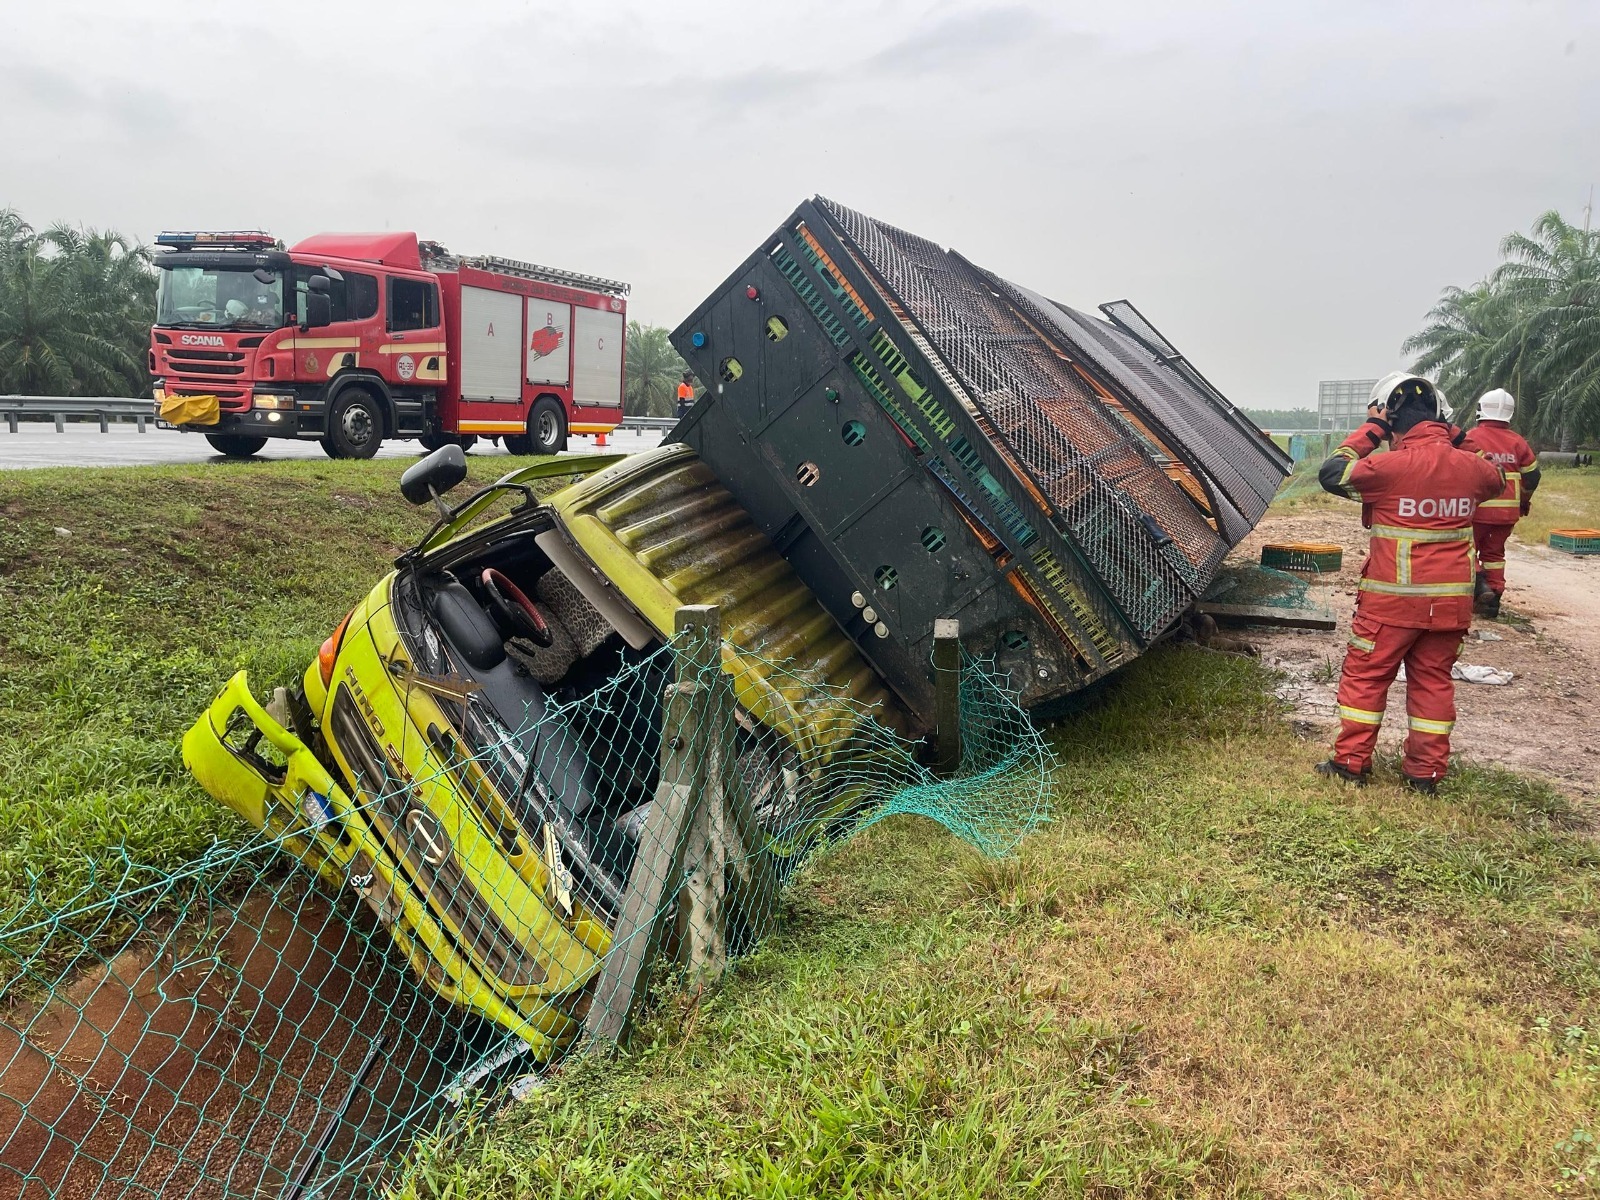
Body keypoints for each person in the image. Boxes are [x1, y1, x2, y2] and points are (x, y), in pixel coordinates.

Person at [1314, 372, 1504, 793]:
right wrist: (1453, 434)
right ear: (1441, 417)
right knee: (1433, 684)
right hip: (1450, 607)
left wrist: (1371, 429)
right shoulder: (1472, 469)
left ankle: (1350, 763)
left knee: (1367, 679)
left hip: (1391, 606)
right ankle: (1424, 775)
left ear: (1391, 422)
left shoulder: (1386, 467)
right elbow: (1497, 477)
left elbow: (1332, 473)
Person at [1460, 388, 1540, 618]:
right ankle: (1493, 600)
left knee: (1466, 549)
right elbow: (1533, 476)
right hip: (1506, 514)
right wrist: (1524, 499)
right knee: (1495, 555)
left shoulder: (1470, 438)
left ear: (1481, 410)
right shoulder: (1518, 442)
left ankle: (1479, 586)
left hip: (1477, 512)